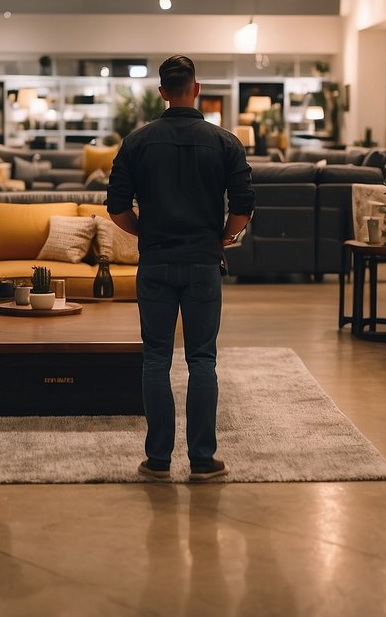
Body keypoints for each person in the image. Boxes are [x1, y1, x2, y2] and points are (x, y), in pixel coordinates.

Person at [106, 55, 255, 481]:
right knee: (202, 360)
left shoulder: (137, 142)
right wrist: (221, 237)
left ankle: (158, 461)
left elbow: (116, 207)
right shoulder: (225, 142)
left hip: (155, 263)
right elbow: (243, 206)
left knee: (155, 359)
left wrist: (146, 232)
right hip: (203, 265)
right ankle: (203, 461)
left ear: (162, 92)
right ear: (197, 88)